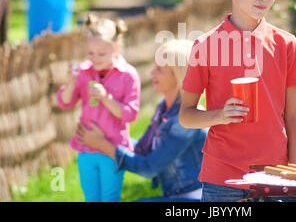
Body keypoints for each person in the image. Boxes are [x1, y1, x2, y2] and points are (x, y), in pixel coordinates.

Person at [179, 0, 296, 202]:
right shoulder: (206, 45)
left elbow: (292, 114)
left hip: (275, 174)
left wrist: (294, 169)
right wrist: (219, 115)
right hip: (223, 178)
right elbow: (185, 115)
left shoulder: (286, 44)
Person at [77, 39, 207, 202]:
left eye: (159, 69)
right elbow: (140, 150)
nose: (152, 73)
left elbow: (149, 168)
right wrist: (108, 136)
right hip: (176, 195)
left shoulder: (187, 120)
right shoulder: (163, 109)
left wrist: (104, 144)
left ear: (179, 75)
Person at [56, 15, 141, 202]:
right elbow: (65, 103)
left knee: (110, 197)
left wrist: (105, 98)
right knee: (91, 197)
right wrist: (71, 83)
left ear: (116, 48)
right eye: (90, 53)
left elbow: (130, 114)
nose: (95, 58)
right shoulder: (84, 71)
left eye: (101, 53)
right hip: (86, 148)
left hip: (112, 149)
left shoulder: (128, 75)